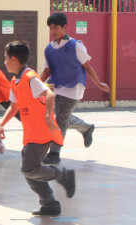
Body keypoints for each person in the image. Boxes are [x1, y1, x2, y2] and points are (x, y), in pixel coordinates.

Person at [0, 40, 75, 216]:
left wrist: (48, 116)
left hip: (42, 132)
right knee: (29, 171)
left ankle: (64, 176)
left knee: (29, 169)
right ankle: (49, 204)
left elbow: (49, 93)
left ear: (14, 59)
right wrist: (2, 123)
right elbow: (14, 106)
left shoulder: (30, 77)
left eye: (6, 58)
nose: (4, 62)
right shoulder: (16, 80)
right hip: (32, 134)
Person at [40, 12, 110, 164]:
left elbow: (87, 67)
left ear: (65, 27)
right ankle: (86, 128)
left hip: (73, 86)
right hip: (56, 86)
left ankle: (55, 153)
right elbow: (46, 71)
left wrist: (99, 84)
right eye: (51, 28)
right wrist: (33, 85)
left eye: (56, 28)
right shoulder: (49, 49)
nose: (53, 32)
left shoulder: (76, 45)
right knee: (58, 117)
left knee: (60, 118)